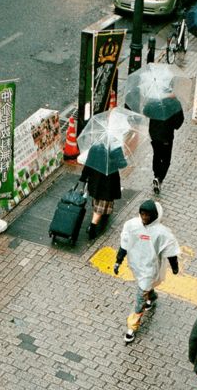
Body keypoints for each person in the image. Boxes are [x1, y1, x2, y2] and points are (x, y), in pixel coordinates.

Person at [114, 199, 180, 343]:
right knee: (144, 289)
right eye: (142, 214)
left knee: (139, 297)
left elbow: (171, 252)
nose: (144, 218)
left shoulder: (162, 233)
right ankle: (151, 297)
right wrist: (118, 261)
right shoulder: (131, 226)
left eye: (147, 215)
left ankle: (132, 327)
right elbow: (124, 244)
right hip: (136, 265)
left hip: (150, 269)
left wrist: (175, 267)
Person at [79, 144, 124, 240]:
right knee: (101, 206)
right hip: (109, 183)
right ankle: (93, 227)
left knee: (97, 200)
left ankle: (102, 217)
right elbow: (122, 164)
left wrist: (83, 177)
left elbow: (88, 164)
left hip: (95, 180)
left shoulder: (95, 147)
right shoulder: (115, 148)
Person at [149, 104, 184, 195]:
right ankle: (159, 178)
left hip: (154, 133)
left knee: (156, 155)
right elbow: (178, 123)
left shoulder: (155, 99)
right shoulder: (174, 103)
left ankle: (156, 175)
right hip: (166, 136)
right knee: (166, 160)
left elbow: (146, 111)